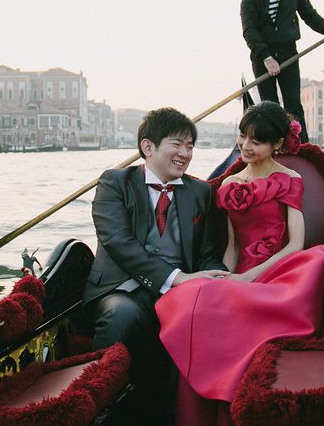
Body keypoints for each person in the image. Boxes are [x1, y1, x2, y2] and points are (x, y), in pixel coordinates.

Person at [156, 101, 324, 426]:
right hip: (243, 271)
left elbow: (296, 243)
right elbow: (233, 247)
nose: (246, 146)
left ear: (276, 145)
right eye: (243, 137)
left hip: (283, 264)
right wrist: (228, 276)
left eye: (257, 141)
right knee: (202, 296)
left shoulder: (290, 179)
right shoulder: (228, 186)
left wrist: (253, 276)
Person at [83, 107, 229, 354]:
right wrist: (176, 278)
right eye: (177, 144)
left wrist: (220, 278)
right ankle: (101, 383)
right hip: (121, 289)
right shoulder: (114, 183)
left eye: (190, 146)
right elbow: (119, 242)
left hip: (180, 293)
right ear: (148, 147)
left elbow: (206, 253)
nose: (185, 153)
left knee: (207, 313)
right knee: (122, 314)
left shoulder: (200, 191)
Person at [240, 0, 324, 143]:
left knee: (294, 105)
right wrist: (267, 57)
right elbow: (249, 30)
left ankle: (301, 148)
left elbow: (309, 14)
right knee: (269, 107)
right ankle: (274, 148)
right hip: (262, 56)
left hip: (288, 53)